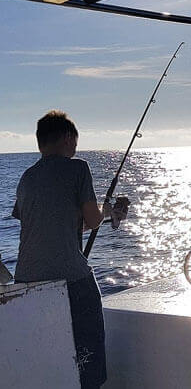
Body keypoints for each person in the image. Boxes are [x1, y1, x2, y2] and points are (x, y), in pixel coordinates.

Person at [12, 110, 110, 388]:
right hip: (70, 278)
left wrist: (106, 212)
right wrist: (107, 212)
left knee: (46, 358)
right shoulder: (78, 168)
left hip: (26, 281)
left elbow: (46, 225)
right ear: (68, 138)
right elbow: (92, 220)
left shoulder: (26, 178)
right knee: (88, 361)